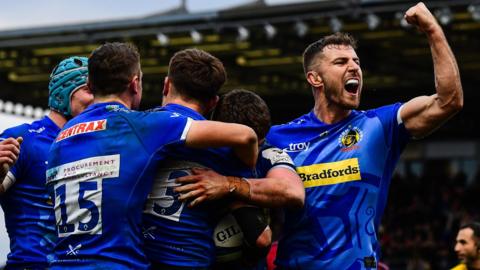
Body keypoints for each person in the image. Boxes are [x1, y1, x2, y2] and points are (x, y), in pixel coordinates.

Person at [265, 2, 463, 269]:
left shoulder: (379, 126)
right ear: (315, 79)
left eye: (356, 61)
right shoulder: (278, 137)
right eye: (341, 62)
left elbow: (448, 101)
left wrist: (432, 29)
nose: (354, 67)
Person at [46, 43, 258, 269]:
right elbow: (246, 136)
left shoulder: (60, 138)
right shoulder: (141, 126)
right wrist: (240, 173)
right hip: (114, 263)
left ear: (89, 84)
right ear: (135, 84)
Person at [141, 50, 296, 269]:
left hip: (139, 257)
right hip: (192, 260)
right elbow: (261, 237)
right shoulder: (227, 152)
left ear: (166, 85)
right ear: (213, 103)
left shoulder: (136, 128)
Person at [0, 56, 93, 269]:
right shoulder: (24, 139)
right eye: (89, 91)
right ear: (64, 92)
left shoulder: (98, 144)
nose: (97, 100)